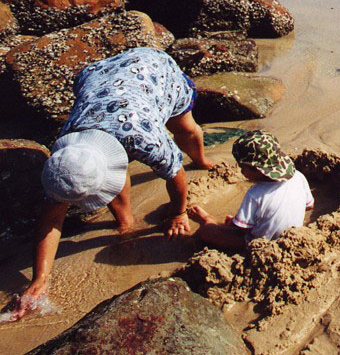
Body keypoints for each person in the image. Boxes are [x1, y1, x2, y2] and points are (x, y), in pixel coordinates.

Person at [13, 47, 212, 320]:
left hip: (155, 71)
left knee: (184, 128)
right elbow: (50, 220)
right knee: (105, 179)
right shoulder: (67, 158)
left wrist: (177, 213)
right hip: (99, 77)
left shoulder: (145, 139)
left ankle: (201, 159)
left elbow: (175, 173)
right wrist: (40, 278)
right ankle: (124, 221)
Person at [188, 131, 313, 250]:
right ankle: (211, 220)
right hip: (292, 237)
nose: (242, 172)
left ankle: (207, 223)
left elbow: (241, 230)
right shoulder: (298, 176)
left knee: (208, 231)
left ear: (257, 169)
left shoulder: (256, 193)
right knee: (242, 223)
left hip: (260, 244)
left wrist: (232, 223)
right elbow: (309, 205)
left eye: (243, 168)